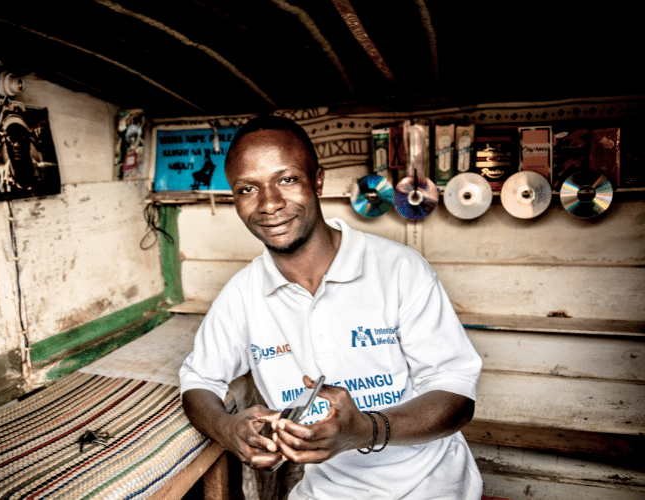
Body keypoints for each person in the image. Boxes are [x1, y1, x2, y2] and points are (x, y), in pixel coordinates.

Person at [179, 115, 484, 499]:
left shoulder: (399, 269)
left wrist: (365, 429)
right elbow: (198, 381)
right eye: (246, 189)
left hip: (431, 485)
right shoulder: (242, 294)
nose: (269, 203)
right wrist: (227, 428)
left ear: (318, 181)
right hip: (327, 491)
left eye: (287, 179)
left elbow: (456, 396)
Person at [0, 100, 60, 203]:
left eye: (22, 136)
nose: (17, 145)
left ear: (30, 138)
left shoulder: (48, 171)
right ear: (3, 139)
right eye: (11, 138)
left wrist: (46, 151)